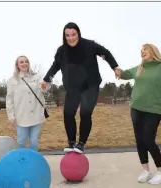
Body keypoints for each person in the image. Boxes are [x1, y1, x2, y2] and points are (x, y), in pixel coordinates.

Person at [41, 22, 121, 154]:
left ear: (78, 33)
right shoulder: (62, 51)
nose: (71, 38)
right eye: (68, 35)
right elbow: (56, 65)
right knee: (68, 113)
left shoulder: (89, 45)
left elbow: (105, 52)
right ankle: (71, 143)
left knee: (85, 113)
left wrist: (115, 67)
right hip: (73, 88)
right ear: (64, 36)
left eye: (73, 34)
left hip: (90, 86)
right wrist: (46, 79)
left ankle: (81, 144)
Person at [118, 43, 161, 185]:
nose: (142, 53)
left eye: (145, 50)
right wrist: (117, 69)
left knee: (149, 140)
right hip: (136, 108)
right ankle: (146, 171)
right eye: (141, 51)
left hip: (153, 110)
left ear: (153, 51)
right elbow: (124, 74)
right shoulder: (140, 68)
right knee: (139, 140)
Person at [6, 55, 50, 152]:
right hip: (21, 116)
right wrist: (11, 116)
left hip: (37, 114)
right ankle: (20, 161)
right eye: (21, 62)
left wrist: (45, 85)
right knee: (21, 141)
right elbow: (9, 100)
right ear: (17, 65)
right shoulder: (12, 81)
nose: (24, 63)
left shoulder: (36, 77)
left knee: (34, 141)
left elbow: (44, 89)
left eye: (26, 61)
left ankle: (34, 162)